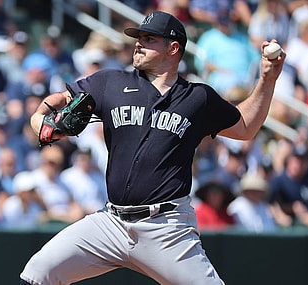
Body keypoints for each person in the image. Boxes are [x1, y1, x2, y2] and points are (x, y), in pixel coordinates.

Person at [20, 11, 285, 285]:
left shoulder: (197, 98)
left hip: (167, 228)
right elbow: (63, 98)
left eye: (149, 39)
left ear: (173, 48)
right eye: (138, 38)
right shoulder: (111, 82)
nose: (138, 44)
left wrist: (267, 79)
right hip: (111, 223)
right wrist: (40, 115)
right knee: (37, 274)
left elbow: (245, 126)